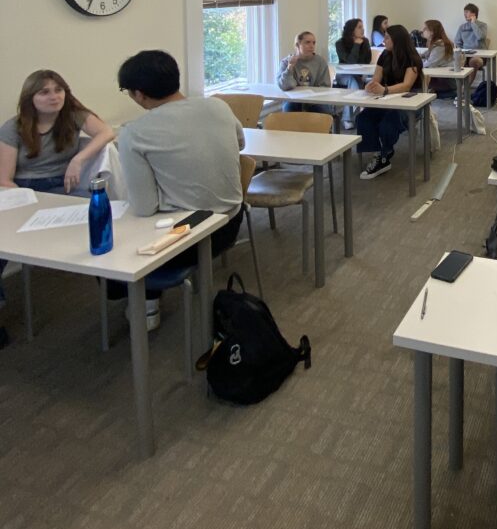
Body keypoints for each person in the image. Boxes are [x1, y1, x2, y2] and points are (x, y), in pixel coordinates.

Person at [115, 50, 245, 330]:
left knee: (116, 240)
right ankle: (147, 300)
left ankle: (146, 306)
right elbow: (241, 145)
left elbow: (144, 206)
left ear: (138, 94)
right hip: (232, 221)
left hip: (187, 236)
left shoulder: (133, 133)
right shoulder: (218, 106)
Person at [0, 70, 114, 308]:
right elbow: (5, 180)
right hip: (23, 190)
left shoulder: (73, 115)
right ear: (30, 97)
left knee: (99, 213)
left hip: (61, 185)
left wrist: (78, 159)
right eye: (44, 92)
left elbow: (106, 132)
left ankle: (115, 284)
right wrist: (29, 204)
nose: (54, 97)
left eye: (58, 90)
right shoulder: (13, 127)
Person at [356, 25, 423, 179]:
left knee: (389, 122)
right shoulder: (384, 55)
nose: (383, 41)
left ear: (397, 40)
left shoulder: (413, 58)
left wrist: (384, 90)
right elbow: (376, 79)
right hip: (386, 100)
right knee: (363, 118)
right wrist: (371, 86)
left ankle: (384, 154)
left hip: (411, 102)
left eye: (387, 38)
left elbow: (407, 85)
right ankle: (378, 151)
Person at [277, 30, 333, 114]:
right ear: (297, 45)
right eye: (307, 42)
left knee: (324, 111)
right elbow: (285, 86)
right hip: (293, 100)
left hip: (315, 100)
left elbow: (325, 85)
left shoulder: (320, 61)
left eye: (314, 43)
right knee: (289, 109)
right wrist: (290, 67)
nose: (311, 46)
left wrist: (311, 96)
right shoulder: (286, 62)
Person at [334, 18, 372, 129]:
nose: (363, 29)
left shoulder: (365, 42)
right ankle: (347, 118)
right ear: (352, 30)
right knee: (352, 81)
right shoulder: (339, 43)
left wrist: (362, 45)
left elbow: (367, 61)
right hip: (343, 75)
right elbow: (350, 62)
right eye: (359, 27)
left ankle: (364, 115)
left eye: (362, 26)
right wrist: (356, 45)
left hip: (359, 74)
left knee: (370, 80)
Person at [420, 19, 455, 98]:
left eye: (425, 28)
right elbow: (425, 55)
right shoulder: (435, 43)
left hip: (448, 83)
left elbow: (429, 64)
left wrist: (415, 64)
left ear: (432, 32)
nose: (422, 30)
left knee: (416, 73)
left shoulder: (440, 46)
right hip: (442, 80)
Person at [454, 3, 488, 71]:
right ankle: (460, 81)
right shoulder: (462, 27)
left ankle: (468, 82)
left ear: (474, 14)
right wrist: (461, 52)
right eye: (464, 12)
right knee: (454, 61)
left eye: (467, 12)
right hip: (465, 54)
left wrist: (473, 23)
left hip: (479, 55)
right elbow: (457, 42)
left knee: (474, 61)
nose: (464, 14)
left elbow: (480, 37)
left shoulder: (482, 25)